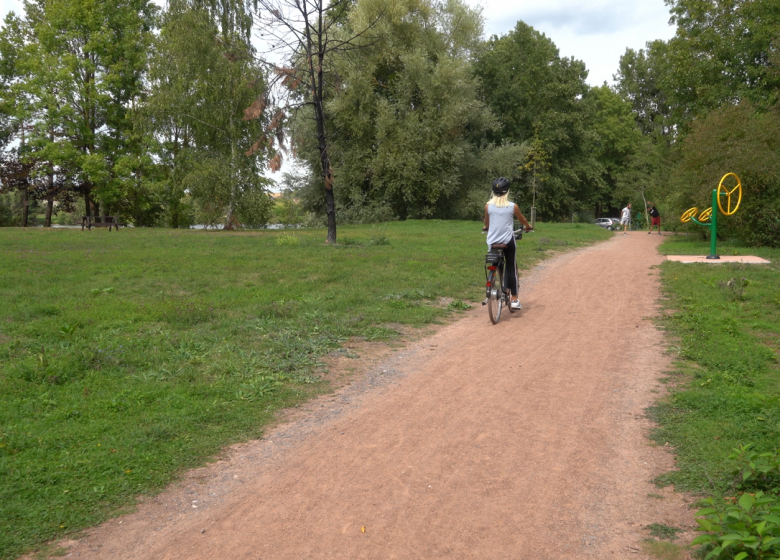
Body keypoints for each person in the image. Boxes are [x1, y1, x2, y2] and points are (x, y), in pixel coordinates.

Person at [482, 177, 533, 310]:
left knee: (495, 263)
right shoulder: (512, 206)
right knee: (511, 267)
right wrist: (527, 226)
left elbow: (486, 223)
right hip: (508, 241)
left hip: (493, 241)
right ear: (507, 192)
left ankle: (492, 282)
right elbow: (522, 219)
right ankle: (514, 299)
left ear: (493, 191)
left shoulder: (488, 206)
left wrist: (486, 228)